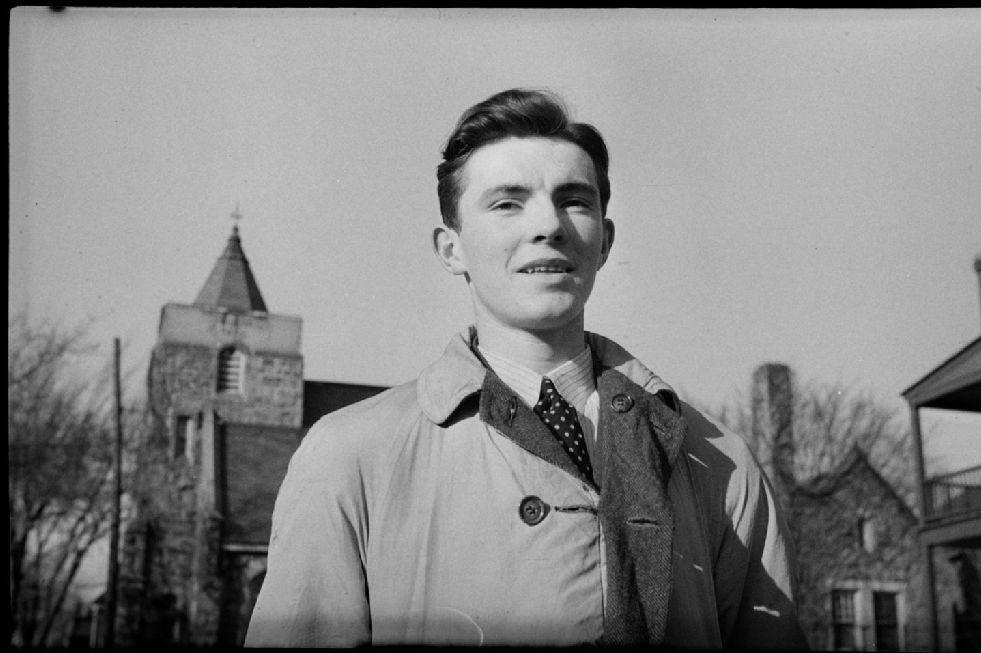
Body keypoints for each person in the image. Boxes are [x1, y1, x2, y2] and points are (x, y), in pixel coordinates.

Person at [245, 88, 808, 648]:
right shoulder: (350, 456)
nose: (549, 226)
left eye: (575, 201)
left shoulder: (718, 462)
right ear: (451, 249)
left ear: (605, 241)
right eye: (507, 204)